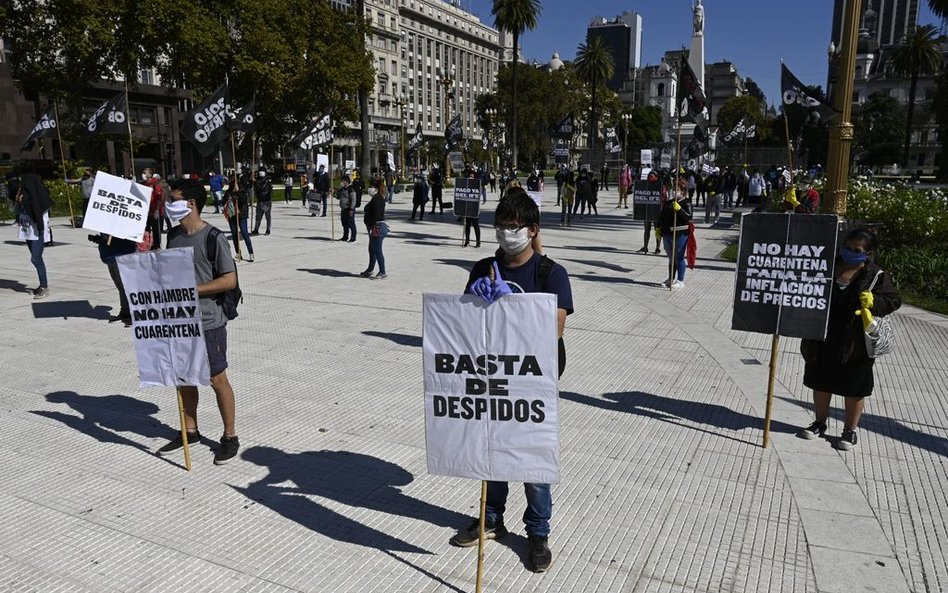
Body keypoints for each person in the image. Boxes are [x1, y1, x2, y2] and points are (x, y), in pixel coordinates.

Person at [452, 190, 574, 574]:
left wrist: (511, 307)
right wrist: (476, 302)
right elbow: (464, 327)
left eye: (513, 227)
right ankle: (491, 518)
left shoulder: (550, 273)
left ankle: (537, 534)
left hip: (533, 383)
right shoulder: (484, 268)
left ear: (532, 229)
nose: (506, 234)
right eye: (500, 227)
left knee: (532, 461)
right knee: (492, 451)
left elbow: (553, 329)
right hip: (492, 379)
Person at [159, 178, 241, 465]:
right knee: (183, 379)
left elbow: (229, 280)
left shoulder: (213, 237)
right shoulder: (172, 236)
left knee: (216, 378)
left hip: (208, 320)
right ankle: (190, 430)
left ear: (190, 203)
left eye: (173, 199)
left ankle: (229, 436)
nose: (168, 204)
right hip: (179, 320)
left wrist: (193, 290)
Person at [797, 230, 901, 450]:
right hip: (823, 336)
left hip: (856, 342)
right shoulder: (827, 265)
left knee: (854, 388)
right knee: (820, 381)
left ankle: (849, 430)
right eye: (848, 247)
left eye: (857, 251)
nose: (850, 253)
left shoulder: (876, 276)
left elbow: (893, 301)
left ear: (868, 253)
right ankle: (819, 423)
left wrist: (875, 302)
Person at [15, 174, 53, 299]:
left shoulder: (39, 197)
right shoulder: (24, 196)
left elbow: (36, 210)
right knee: (36, 258)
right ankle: (42, 285)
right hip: (28, 230)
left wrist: (23, 201)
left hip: (38, 231)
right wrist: (18, 201)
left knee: (35, 258)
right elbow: (18, 211)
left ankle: (44, 287)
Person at [657, 177, 693, 288]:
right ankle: (671, 278)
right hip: (667, 233)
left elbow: (688, 217)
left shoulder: (686, 203)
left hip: (680, 233)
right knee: (671, 257)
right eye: (674, 189)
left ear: (682, 191)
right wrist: (658, 228)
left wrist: (679, 210)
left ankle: (680, 280)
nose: (674, 192)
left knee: (679, 256)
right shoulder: (668, 203)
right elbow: (661, 217)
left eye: (677, 190)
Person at [360, 181, 388, 279]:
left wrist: (371, 226)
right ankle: (370, 269)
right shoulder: (377, 198)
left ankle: (382, 272)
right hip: (375, 227)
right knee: (372, 250)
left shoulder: (377, 199)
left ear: (375, 189)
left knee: (377, 250)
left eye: (371, 187)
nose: (369, 189)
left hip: (376, 227)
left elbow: (376, 216)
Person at [224, 178, 254, 262]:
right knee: (234, 235)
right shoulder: (229, 192)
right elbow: (224, 201)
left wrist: (238, 192)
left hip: (241, 216)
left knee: (244, 233)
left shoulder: (242, 191)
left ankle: (251, 253)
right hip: (232, 215)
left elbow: (243, 200)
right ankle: (238, 252)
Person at [143, 169, 165, 249]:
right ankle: (147, 243)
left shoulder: (156, 184)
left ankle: (157, 245)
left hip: (154, 211)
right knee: (146, 229)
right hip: (146, 212)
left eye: (145, 173)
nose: (143, 175)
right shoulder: (145, 184)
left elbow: (159, 198)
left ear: (150, 174)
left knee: (156, 229)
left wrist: (156, 210)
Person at [251, 170, 273, 235]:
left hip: (266, 202)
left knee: (267, 216)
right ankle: (256, 229)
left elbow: (262, 190)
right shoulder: (258, 182)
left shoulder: (267, 183)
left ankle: (268, 229)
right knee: (258, 217)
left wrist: (255, 182)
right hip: (260, 201)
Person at [337, 175, 357, 242]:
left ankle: (353, 237)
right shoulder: (342, 189)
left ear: (346, 181)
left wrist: (351, 208)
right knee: (344, 223)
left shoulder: (351, 189)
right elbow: (339, 197)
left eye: (342, 181)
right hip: (343, 209)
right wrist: (334, 193)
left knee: (351, 223)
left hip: (349, 208)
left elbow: (353, 199)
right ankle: (345, 236)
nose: (341, 183)